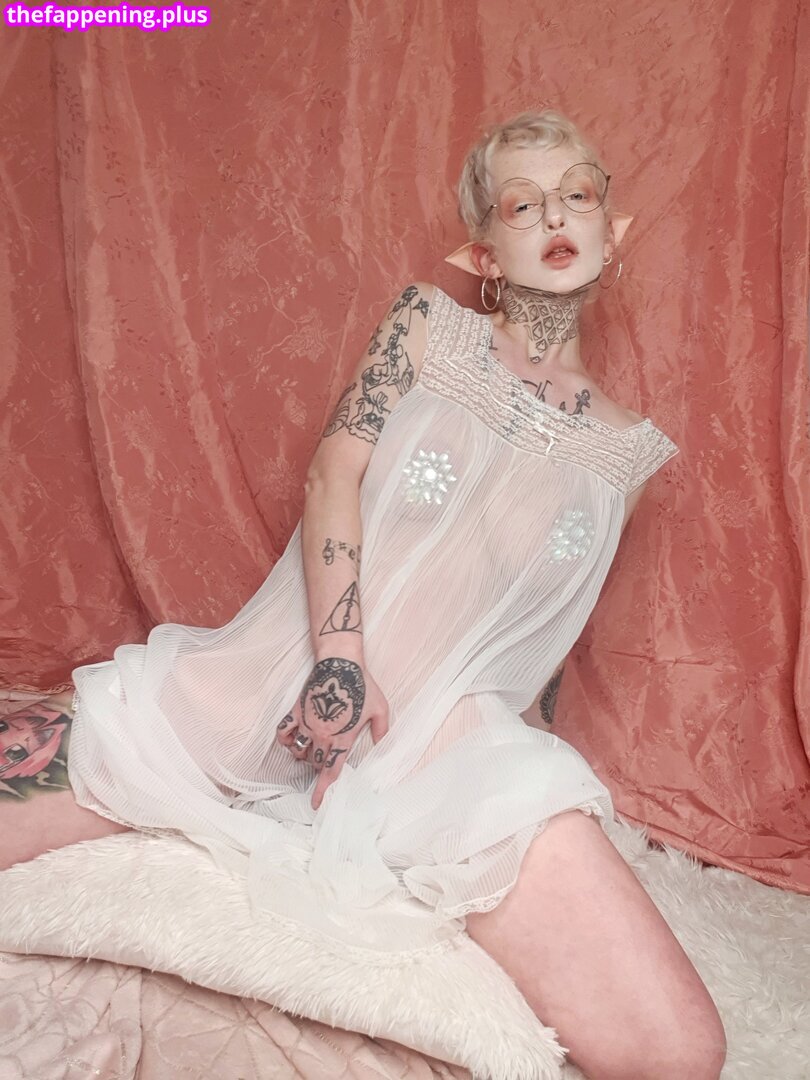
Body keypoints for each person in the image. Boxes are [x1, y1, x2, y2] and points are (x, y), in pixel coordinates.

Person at [1, 109, 726, 1079]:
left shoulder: (628, 453)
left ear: (611, 229)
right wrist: (340, 670)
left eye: (578, 194)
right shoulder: (427, 325)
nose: (556, 214)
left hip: (446, 748)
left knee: (679, 1049)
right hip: (279, 678)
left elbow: (538, 642)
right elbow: (330, 475)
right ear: (485, 250)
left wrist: (514, 777)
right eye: (523, 203)